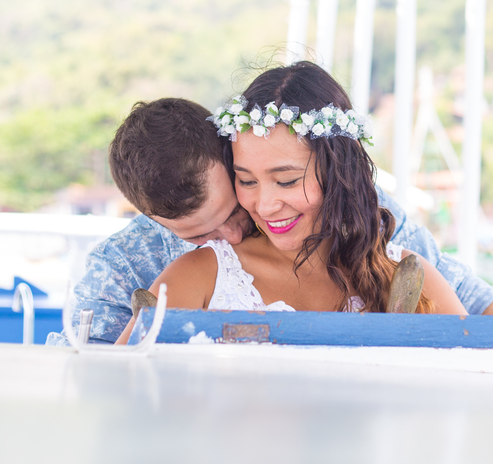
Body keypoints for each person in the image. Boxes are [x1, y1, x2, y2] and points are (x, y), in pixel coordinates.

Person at [48, 90, 493, 345]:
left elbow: (475, 308)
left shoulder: (371, 224)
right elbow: (93, 374)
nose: (231, 234)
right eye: (200, 234)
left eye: (234, 207)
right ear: (153, 221)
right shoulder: (128, 263)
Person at [116, 62, 466, 341]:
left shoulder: (406, 274)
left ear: (338, 172)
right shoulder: (196, 277)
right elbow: (121, 388)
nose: (265, 205)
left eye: (286, 181)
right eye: (246, 181)